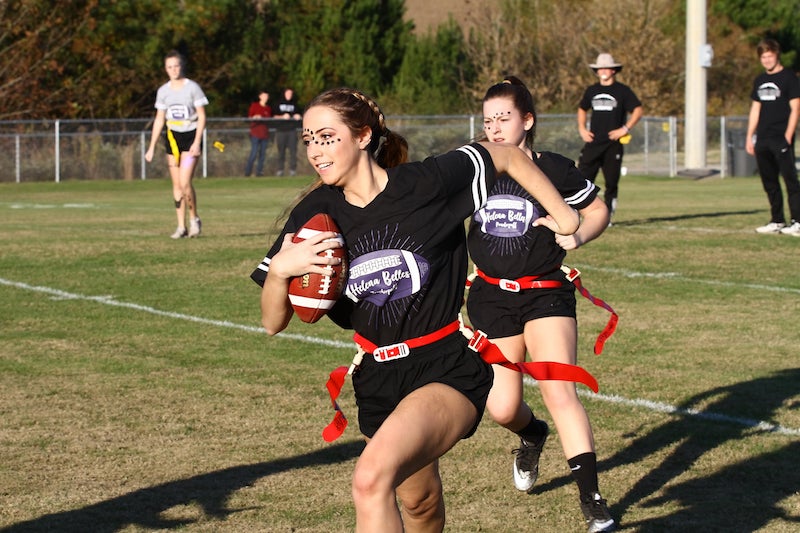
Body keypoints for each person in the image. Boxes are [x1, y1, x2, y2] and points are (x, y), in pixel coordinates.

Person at [251, 87, 579, 532]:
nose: (315, 151)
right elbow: (272, 323)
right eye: (309, 139)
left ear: (363, 136)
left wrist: (566, 216)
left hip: (443, 366)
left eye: (327, 137)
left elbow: (502, 154)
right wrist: (280, 273)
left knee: (369, 480)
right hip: (377, 377)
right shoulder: (316, 214)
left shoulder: (426, 184)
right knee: (421, 504)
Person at [467, 77, 614, 532]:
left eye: (504, 118)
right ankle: (532, 436)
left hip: (546, 291)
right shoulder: (472, 170)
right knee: (503, 409)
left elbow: (598, 210)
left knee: (558, 390)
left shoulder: (553, 167)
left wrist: (579, 234)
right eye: (488, 119)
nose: (494, 127)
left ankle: (592, 501)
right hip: (491, 297)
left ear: (527, 121)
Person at [145, 50, 209, 239]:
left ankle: (194, 219)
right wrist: (151, 147)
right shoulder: (163, 91)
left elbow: (202, 116)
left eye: (176, 66)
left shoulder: (192, 88)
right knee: (176, 185)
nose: (173, 70)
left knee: (184, 182)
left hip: (190, 139)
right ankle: (181, 226)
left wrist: (197, 142)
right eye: (169, 67)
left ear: (181, 66)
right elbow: (159, 120)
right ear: (165, 69)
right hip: (173, 139)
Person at [577, 53, 643, 224]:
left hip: (613, 145)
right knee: (582, 179)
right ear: (596, 71)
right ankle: (577, 212)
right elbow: (582, 109)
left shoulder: (622, 91)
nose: (603, 71)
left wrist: (625, 128)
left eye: (606, 68)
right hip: (593, 143)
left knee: (611, 182)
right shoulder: (592, 91)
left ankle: (607, 217)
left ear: (613, 70)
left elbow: (637, 109)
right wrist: (582, 129)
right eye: (600, 69)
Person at [745, 38, 800, 236]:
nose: (767, 60)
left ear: (777, 55)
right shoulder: (759, 80)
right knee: (769, 182)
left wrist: (788, 135)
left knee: (790, 180)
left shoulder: (789, 78)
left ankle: (797, 221)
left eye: (769, 56)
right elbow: (755, 109)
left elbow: (796, 108)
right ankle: (777, 220)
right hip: (763, 138)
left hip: (781, 137)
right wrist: (750, 136)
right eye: (763, 57)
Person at [274, 87, 303, 176]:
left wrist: (298, 116)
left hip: (292, 131)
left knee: (293, 151)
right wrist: (282, 117)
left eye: (291, 94)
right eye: (288, 93)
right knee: (281, 152)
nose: (289, 95)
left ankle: (292, 170)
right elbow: (273, 116)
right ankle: (280, 170)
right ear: (284, 94)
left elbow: (299, 114)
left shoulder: (294, 104)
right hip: (281, 131)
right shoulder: (278, 103)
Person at [245, 90, 273, 177]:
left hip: (264, 134)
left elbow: (270, 119)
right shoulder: (254, 106)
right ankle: (247, 173)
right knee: (253, 153)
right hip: (255, 134)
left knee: (262, 155)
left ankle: (259, 172)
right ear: (260, 96)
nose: (266, 98)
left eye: (267, 96)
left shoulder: (268, 108)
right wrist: (255, 117)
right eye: (264, 96)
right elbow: (249, 117)